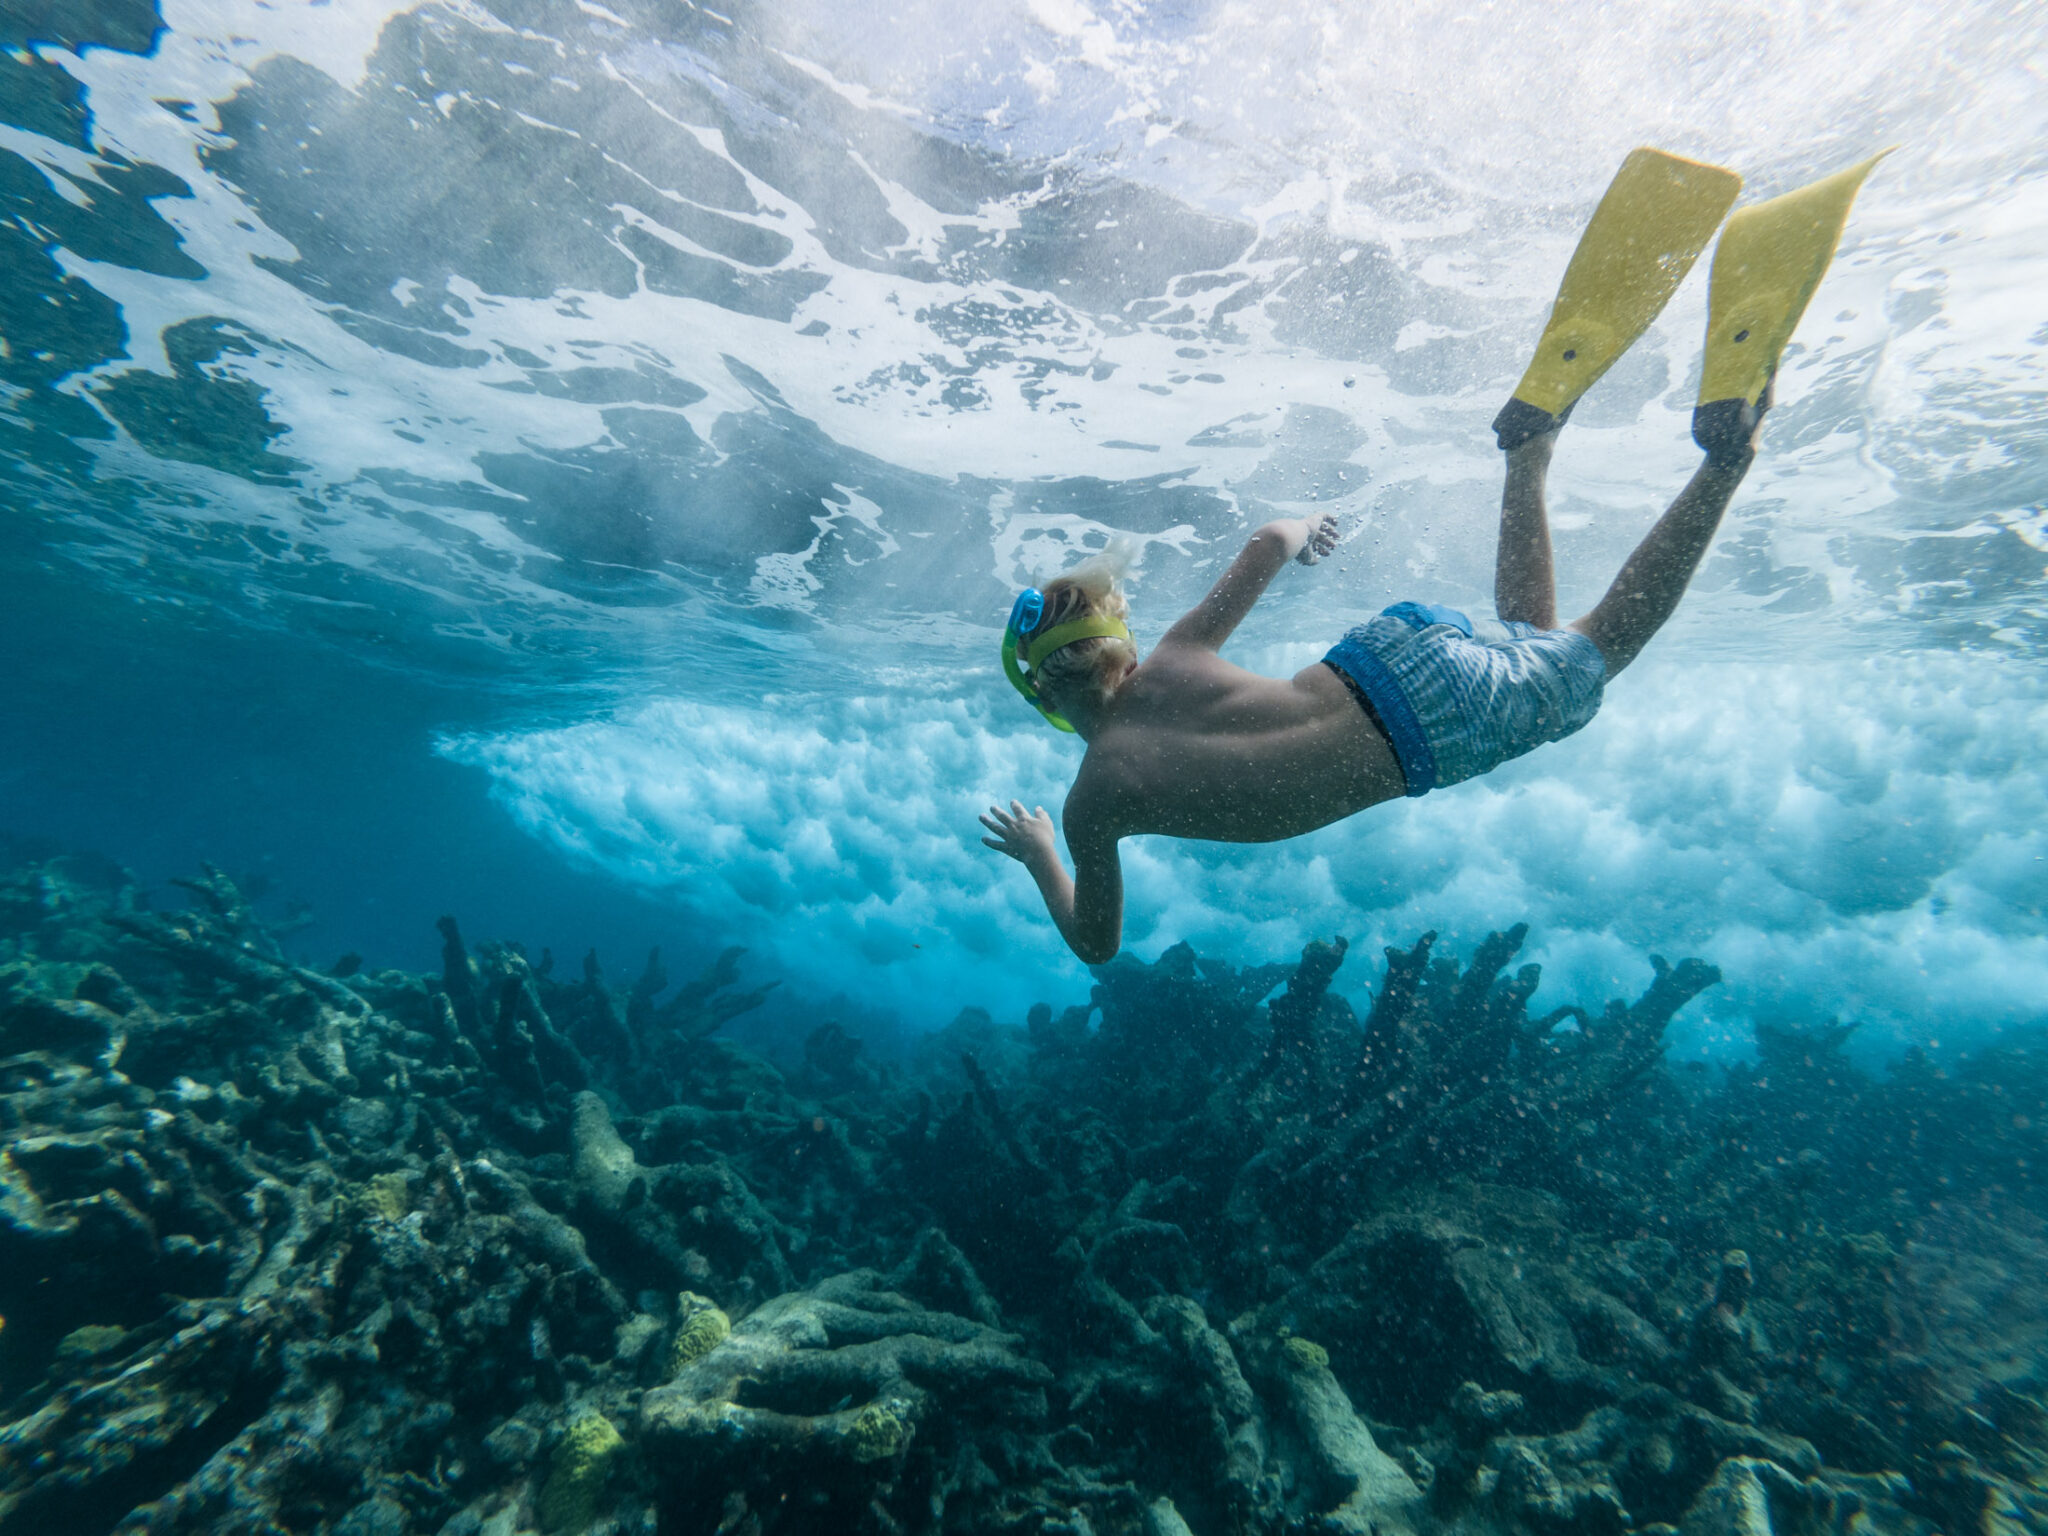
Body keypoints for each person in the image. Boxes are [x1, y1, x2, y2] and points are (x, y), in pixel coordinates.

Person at [980, 146, 1885, 963]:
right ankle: (1529, 452)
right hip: (1385, 651)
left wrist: (1043, 856)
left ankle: (1724, 460)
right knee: (1527, 638)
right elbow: (1266, 539)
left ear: (1042, 699)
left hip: (1422, 734)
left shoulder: (1093, 805)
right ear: (1122, 648)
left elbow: (1096, 944)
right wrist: (1305, 535)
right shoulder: (1174, 659)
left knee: (1594, 658)